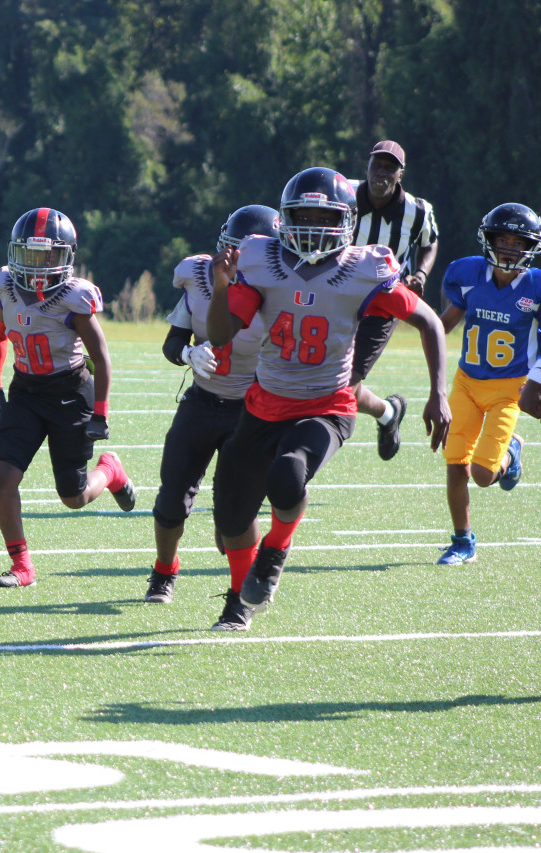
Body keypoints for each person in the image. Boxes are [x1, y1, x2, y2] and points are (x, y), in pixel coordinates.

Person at [205, 167, 450, 631]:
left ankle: (274, 552)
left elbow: (430, 321)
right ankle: (239, 598)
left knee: (287, 473)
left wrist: (439, 393)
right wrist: (221, 287)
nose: (314, 228)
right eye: (305, 215)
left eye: (326, 217)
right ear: (284, 218)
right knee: (232, 513)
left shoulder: (364, 269)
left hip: (327, 404)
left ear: (347, 223)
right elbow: (220, 333)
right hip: (264, 404)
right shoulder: (260, 259)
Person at [0, 207, 135, 588]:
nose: (35, 265)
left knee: (74, 495)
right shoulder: (5, 286)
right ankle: (22, 567)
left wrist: (101, 412)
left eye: (45, 256)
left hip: (70, 393)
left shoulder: (74, 297)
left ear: (64, 257)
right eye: (28, 255)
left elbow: (100, 357)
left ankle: (110, 471)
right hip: (26, 392)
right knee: (3, 477)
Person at [145, 205, 279, 604]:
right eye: (231, 250)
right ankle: (164, 572)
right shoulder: (199, 279)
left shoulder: (279, 290)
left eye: (247, 253)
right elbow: (172, 342)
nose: (235, 261)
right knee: (171, 499)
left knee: (233, 518)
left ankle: (242, 588)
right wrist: (188, 355)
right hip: (202, 402)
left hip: (251, 411)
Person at [432, 203, 541, 565]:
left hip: (508, 390)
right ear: (489, 240)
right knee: (455, 464)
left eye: (518, 241)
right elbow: (445, 323)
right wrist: (415, 319)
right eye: (502, 239)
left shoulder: (535, 286)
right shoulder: (468, 274)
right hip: (466, 382)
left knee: (481, 475)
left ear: (530, 247)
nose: (509, 247)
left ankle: (511, 452)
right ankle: (462, 541)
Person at [349, 140, 440, 461]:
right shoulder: (343, 194)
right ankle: (388, 412)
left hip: (383, 302)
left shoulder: (417, 210)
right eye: (377, 165)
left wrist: (422, 275)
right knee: (323, 378)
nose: (382, 173)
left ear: (400, 174)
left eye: (390, 168)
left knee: (345, 383)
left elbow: (429, 243)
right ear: (367, 166)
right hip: (337, 296)